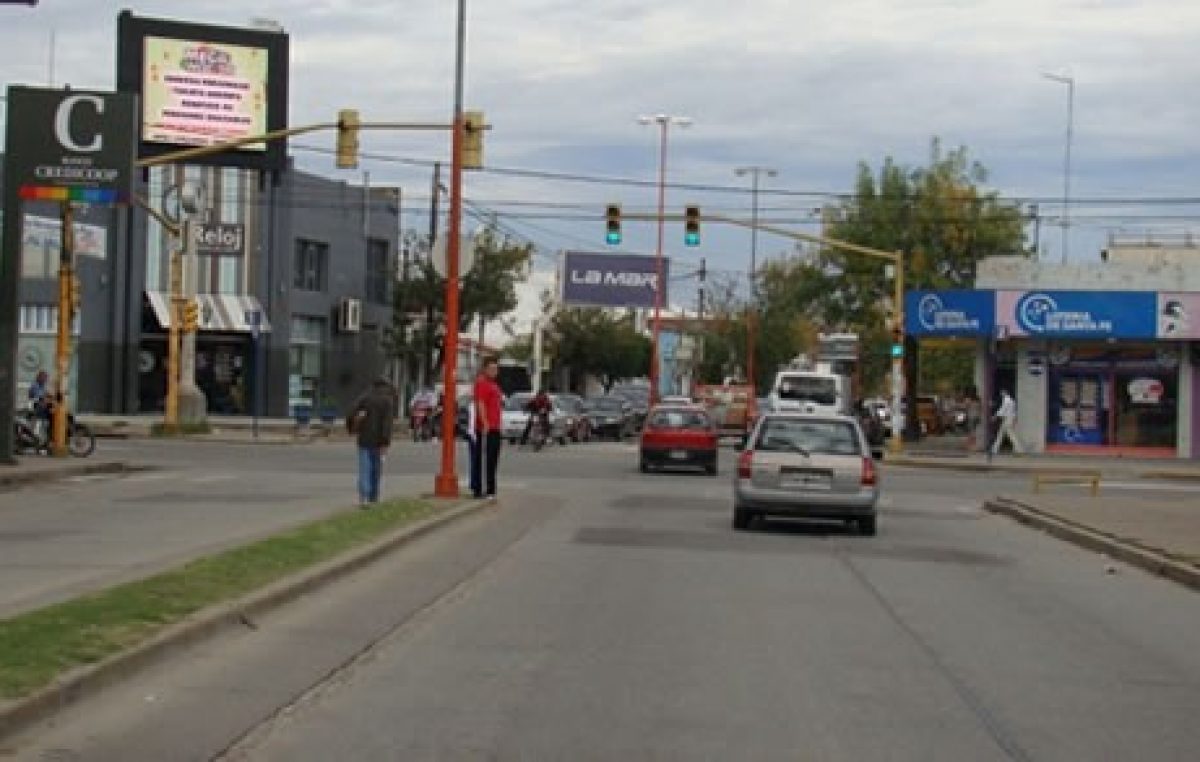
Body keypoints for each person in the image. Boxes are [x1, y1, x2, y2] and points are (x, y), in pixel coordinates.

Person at [348, 378, 396, 508]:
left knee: (364, 468)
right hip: (379, 441)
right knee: (376, 469)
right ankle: (373, 497)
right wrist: (385, 441)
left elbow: (351, 412)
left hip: (364, 439)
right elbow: (387, 424)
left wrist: (352, 427)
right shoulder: (387, 401)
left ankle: (364, 496)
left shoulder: (364, 398)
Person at [470, 356, 503, 499]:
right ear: (485, 369)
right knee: (484, 460)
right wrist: (485, 423)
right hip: (486, 428)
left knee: (493, 459)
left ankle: (491, 489)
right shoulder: (482, 383)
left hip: (496, 427)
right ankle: (482, 489)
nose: (494, 371)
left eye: (496, 368)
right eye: (491, 368)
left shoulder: (494, 385)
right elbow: (480, 404)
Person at [990, 389, 1023, 456]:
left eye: (1002, 392)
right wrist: (1014, 419)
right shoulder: (1012, 400)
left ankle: (1019, 449)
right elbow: (1013, 411)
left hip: (1007, 419)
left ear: (1005, 393)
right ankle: (994, 449)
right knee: (1000, 434)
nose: (1001, 394)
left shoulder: (1006, 400)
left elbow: (1002, 409)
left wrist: (995, 416)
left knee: (1010, 435)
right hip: (1009, 419)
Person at [965, 388, 984, 453]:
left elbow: (966, 407)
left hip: (971, 417)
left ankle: (971, 446)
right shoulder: (978, 399)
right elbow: (981, 408)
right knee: (974, 431)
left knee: (971, 432)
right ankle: (973, 446)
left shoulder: (968, 399)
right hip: (977, 417)